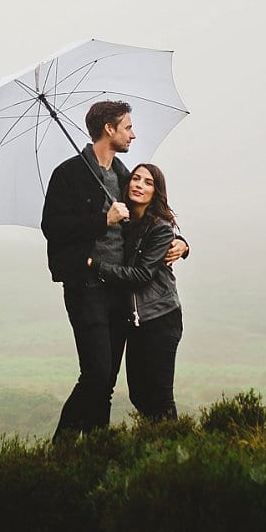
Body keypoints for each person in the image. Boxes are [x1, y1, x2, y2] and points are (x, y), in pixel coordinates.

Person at [42, 100, 186, 440]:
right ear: (109, 129)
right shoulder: (68, 174)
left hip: (120, 292)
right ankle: (61, 449)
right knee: (95, 374)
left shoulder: (123, 175)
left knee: (106, 382)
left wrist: (182, 242)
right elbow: (52, 228)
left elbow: (152, 216)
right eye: (128, 127)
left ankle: (97, 449)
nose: (132, 135)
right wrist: (101, 220)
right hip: (86, 287)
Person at [91, 163, 183, 420]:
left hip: (160, 317)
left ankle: (176, 442)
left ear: (156, 192)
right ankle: (155, 441)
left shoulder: (160, 228)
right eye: (136, 179)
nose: (139, 185)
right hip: (137, 321)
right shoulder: (126, 223)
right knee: (139, 395)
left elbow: (142, 275)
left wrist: (97, 266)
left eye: (148, 182)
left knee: (160, 397)